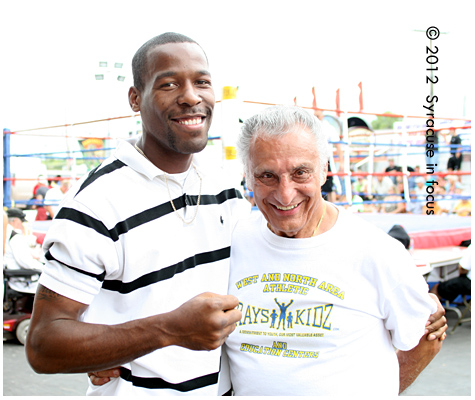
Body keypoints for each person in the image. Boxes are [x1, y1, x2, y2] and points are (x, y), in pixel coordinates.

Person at [26, 32, 251, 396]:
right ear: (135, 99)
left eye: (202, 82)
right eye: (169, 84)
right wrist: (167, 330)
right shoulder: (96, 204)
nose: (191, 96)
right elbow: (43, 344)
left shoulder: (224, 186)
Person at [224, 105, 445, 396]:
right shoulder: (232, 243)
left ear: (324, 170)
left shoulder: (376, 251)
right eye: (267, 176)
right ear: (248, 177)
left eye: (300, 172)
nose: (285, 193)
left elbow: (426, 337)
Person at [313, 109, 343, 203]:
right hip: (313, 160)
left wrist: (342, 162)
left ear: (322, 116)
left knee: (330, 186)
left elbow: (338, 145)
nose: (316, 118)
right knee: (315, 184)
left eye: (317, 116)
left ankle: (331, 208)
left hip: (325, 159)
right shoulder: (311, 127)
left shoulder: (328, 128)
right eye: (315, 116)